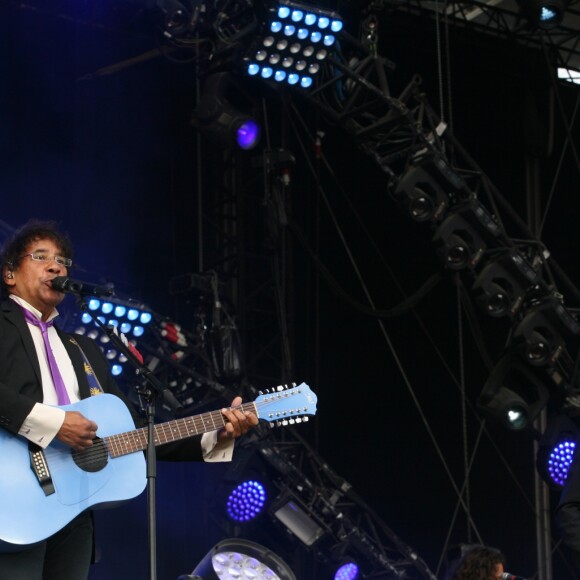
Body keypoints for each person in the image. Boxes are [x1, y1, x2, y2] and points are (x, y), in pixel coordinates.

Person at [0, 219, 258, 580]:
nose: (56, 267)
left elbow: (137, 430)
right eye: (40, 257)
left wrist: (218, 433)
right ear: (9, 274)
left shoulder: (83, 348)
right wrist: (55, 424)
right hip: (12, 497)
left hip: (72, 515)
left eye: (62, 261)